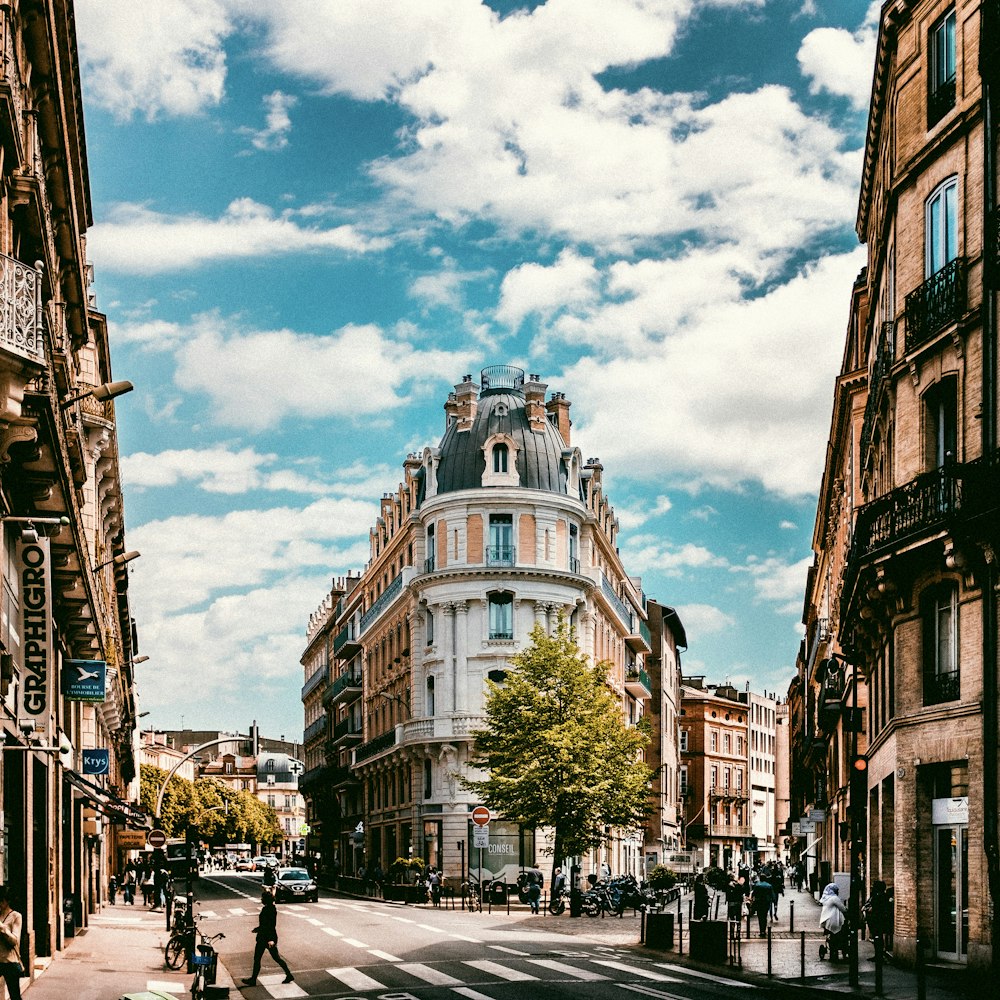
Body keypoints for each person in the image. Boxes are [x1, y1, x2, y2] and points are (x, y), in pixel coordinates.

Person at [242, 891, 294, 987]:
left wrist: (271, 939)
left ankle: (289, 975)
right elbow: (264, 924)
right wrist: (257, 929)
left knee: (274, 958)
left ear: (266, 899)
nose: (261, 900)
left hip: (267, 938)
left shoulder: (270, 910)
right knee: (259, 958)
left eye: (262, 898)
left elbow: (270, 925)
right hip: (263, 937)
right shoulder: (267, 908)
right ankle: (253, 979)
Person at [0, 885, 23, 1000]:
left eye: (1, 901)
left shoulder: (16, 916)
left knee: (14, 996)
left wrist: (2, 928)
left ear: (7, 901)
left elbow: (15, 940)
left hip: (9, 962)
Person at [818, 882, 848, 960]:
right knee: (839, 934)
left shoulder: (825, 897)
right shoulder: (834, 898)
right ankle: (839, 949)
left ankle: (832, 953)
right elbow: (843, 908)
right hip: (833, 920)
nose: (838, 892)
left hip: (826, 920)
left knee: (831, 937)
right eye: (837, 890)